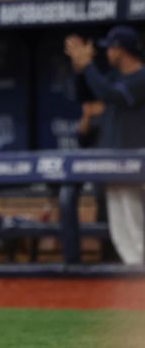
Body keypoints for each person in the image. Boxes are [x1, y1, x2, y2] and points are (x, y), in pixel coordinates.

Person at [64, 26, 145, 265]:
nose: (106, 52)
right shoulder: (114, 76)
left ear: (121, 49)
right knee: (120, 221)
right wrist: (80, 68)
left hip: (138, 157)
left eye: (110, 47)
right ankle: (133, 269)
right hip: (116, 157)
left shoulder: (141, 77)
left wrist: (88, 66)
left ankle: (140, 268)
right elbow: (88, 94)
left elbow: (111, 95)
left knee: (134, 217)